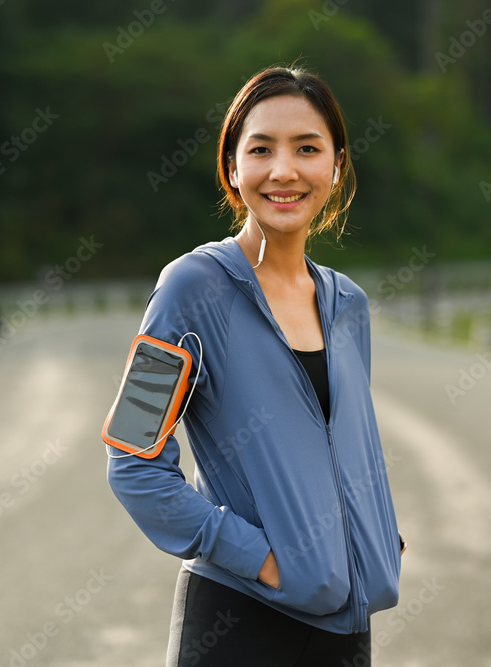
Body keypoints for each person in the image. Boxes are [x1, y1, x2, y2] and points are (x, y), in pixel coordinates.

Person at [106, 64, 403, 667]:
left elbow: (343, 451)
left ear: (337, 165)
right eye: (261, 149)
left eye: (307, 148)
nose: (284, 170)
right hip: (237, 621)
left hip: (348, 630)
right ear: (233, 169)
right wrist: (260, 558)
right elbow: (132, 462)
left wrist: (376, 544)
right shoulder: (189, 289)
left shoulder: (349, 306)